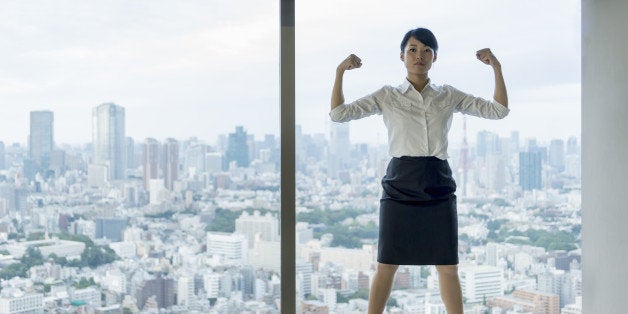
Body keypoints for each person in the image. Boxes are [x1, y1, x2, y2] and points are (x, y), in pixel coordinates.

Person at [329, 27, 509, 314]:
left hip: (438, 182)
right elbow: (339, 114)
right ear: (401, 56)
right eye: (412, 49)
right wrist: (340, 71)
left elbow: (498, 110)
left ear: (435, 57)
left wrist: (496, 68)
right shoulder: (387, 95)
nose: (419, 56)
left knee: (448, 265)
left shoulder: (447, 95)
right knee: (386, 264)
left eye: (426, 50)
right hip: (400, 182)